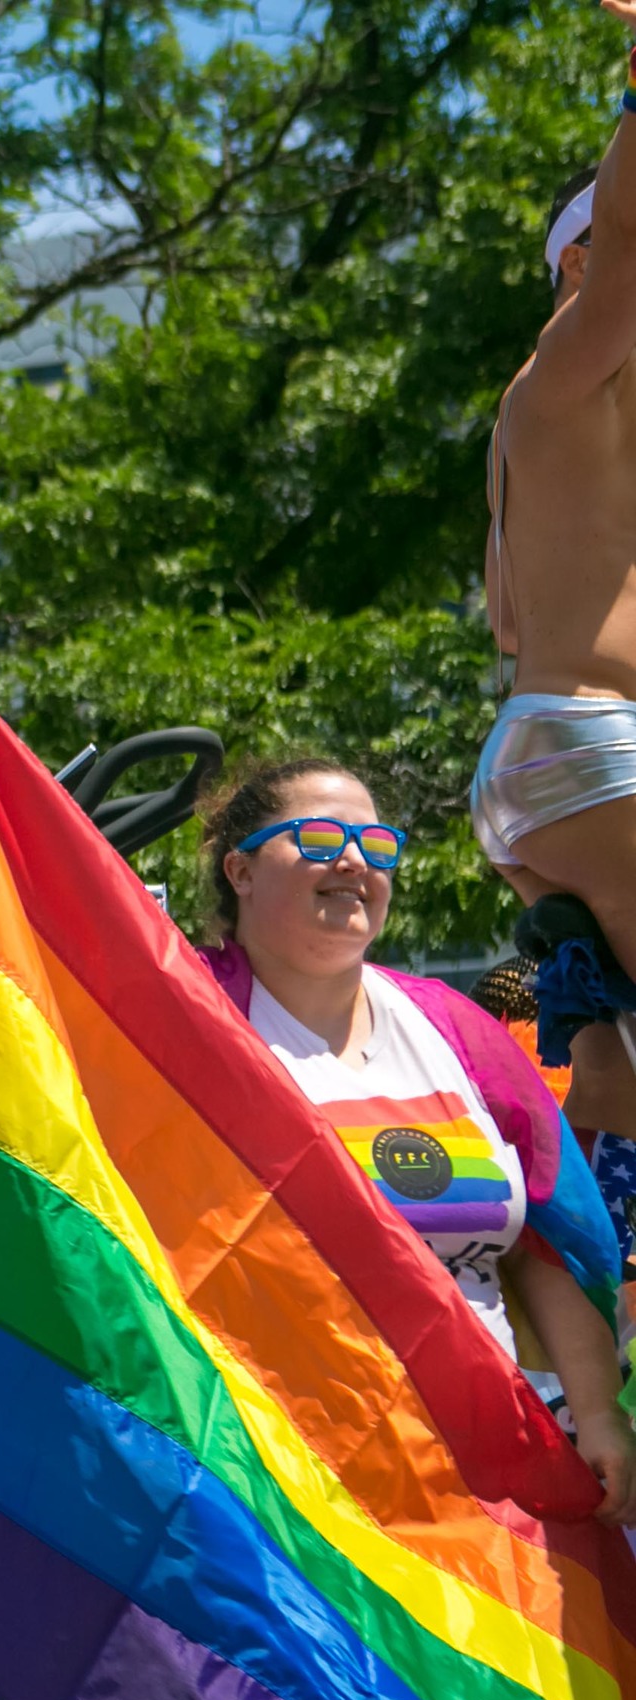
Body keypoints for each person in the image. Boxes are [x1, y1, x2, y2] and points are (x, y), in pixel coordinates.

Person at [101, 759, 636, 1700]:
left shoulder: (451, 1032)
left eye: (378, 840)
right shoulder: (187, 1021)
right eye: (320, 836)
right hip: (258, 1515)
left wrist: (599, 1411)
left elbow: (545, 1240)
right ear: (239, 869)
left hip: (458, 1519)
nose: (358, 860)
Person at [479, 16, 636, 1182]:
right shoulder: (566, 380)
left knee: (619, 1072)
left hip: (549, 771)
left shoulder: (555, 429)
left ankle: (605, 1315)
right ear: (578, 271)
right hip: (596, 754)